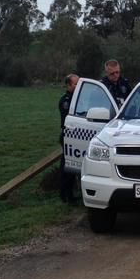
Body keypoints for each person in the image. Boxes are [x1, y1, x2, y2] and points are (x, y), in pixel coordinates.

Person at [58, 73, 80, 203]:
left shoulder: (77, 98)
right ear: (68, 85)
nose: (78, 86)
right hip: (68, 136)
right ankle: (65, 194)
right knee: (67, 167)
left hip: (76, 136)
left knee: (71, 167)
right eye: (76, 84)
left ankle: (69, 194)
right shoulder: (66, 101)